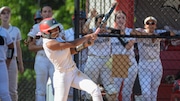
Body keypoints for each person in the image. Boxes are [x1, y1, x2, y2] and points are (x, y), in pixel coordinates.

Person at [39, 17, 103, 101]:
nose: (57, 31)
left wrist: (85, 45)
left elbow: (71, 51)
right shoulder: (49, 44)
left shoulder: (56, 38)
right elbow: (73, 44)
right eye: (53, 30)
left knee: (95, 90)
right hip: (62, 76)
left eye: (57, 28)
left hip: (74, 71)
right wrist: (88, 36)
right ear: (46, 33)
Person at [131, 16, 175, 101]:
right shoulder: (141, 31)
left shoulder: (158, 32)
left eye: (152, 23)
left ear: (155, 26)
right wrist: (147, 36)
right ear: (145, 25)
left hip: (156, 64)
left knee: (154, 92)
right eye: (148, 23)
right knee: (146, 92)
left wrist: (157, 36)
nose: (150, 25)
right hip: (144, 64)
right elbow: (132, 32)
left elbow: (172, 33)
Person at [27, 5, 61, 101]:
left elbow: (63, 42)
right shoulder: (36, 27)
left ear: (52, 13)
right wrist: (45, 47)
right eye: (45, 11)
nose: (47, 13)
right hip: (42, 58)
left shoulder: (58, 26)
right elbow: (30, 46)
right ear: (41, 14)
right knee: (40, 89)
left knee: (57, 86)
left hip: (54, 59)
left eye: (49, 11)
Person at [83, 11, 118, 101]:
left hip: (107, 60)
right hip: (93, 59)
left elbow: (118, 31)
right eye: (100, 23)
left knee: (112, 91)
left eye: (104, 23)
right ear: (96, 23)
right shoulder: (92, 31)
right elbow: (84, 30)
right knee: (90, 87)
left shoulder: (108, 30)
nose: (102, 25)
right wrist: (90, 17)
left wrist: (107, 31)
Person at [110, 10, 138, 101]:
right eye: (118, 18)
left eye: (123, 18)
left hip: (130, 61)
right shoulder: (112, 33)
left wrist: (122, 32)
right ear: (115, 20)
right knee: (115, 91)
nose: (120, 20)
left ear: (126, 20)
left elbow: (129, 46)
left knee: (127, 92)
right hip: (118, 60)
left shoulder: (130, 31)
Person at [0, 6, 24, 101]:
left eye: (8, 13)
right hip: (3, 59)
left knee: (12, 90)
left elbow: (16, 47)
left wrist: (20, 63)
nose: (6, 15)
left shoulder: (14, 30)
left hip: (10, 60)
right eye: (3, 13)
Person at [64, 10, 88, 101]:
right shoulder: (67, 33)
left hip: (84, 64)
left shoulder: (86, 33)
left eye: (82, 20)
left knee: (83, 92)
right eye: (78, 20)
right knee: (70, 92)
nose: (80, 22)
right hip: (70, 64)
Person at [0, 26, 14, 101]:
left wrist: (8, 61)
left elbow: (11, 47)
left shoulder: (3, 32)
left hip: (1, 63)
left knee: (4, 92)